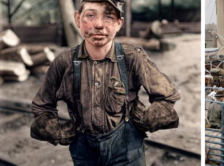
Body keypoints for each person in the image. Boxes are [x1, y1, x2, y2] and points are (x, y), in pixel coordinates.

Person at [30, 1, 181, 165]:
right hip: (84, 151)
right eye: (90, 15)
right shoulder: (64, 63)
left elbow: (166, 96)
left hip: (126, 149)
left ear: (119, 23)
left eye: (108, 17)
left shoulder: (132, 57)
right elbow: (42, 105)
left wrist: (146, 120)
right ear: (77, 18)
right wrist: (55, 131)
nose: (99, 25)